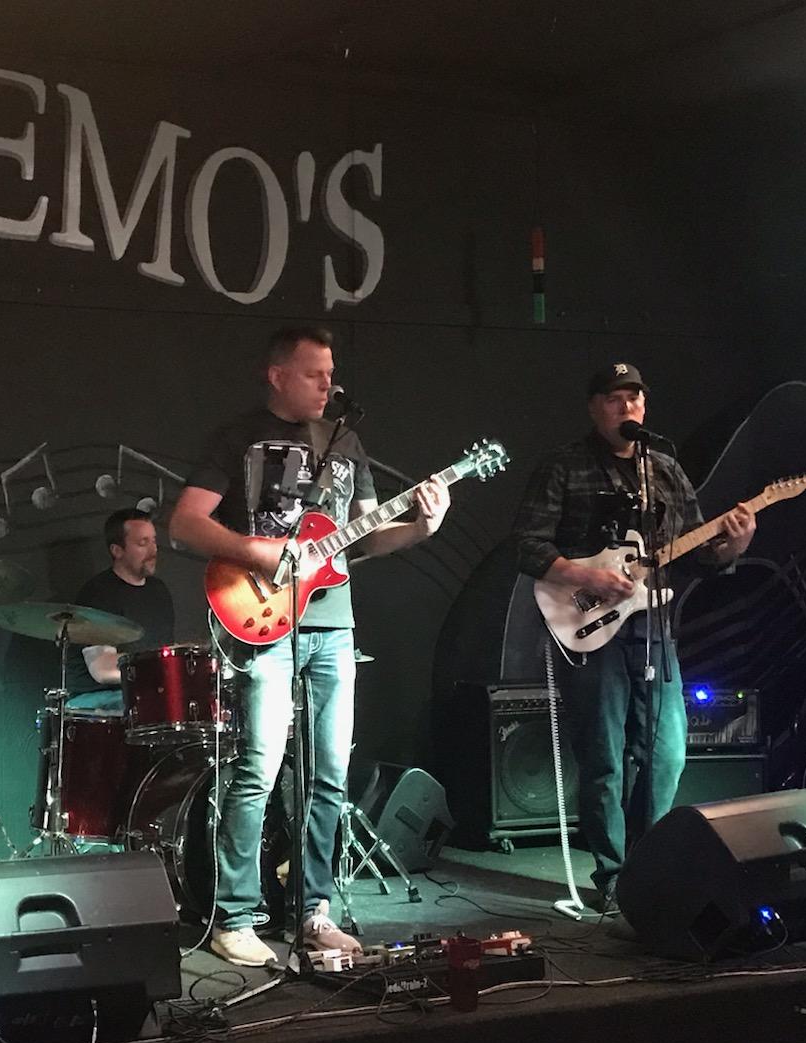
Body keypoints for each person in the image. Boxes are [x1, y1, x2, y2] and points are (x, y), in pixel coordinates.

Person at [171, 327, 451, 967]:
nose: (329, 384)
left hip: (334, 624)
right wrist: (256, 550)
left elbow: (368, 537)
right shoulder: (239, 437)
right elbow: (185, 522)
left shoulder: (345, 441)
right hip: (264, 616)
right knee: (260, 767)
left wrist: (422, 527)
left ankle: (312, 910)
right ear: (277, 376)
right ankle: (235, 917)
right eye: (313, 374)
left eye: (331, 373)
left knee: (329, 773)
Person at [511, 362, 756, 909]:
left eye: (636, 398)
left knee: (666, 751)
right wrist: (586, 576)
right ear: (594, 407)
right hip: (588, 623)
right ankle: (613, 875)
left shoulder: (663, 469)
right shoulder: (564, 466)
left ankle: (652, 865)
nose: (628, 408)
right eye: (615, 399)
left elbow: (695, 557)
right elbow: (526, 544)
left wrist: (733, 546)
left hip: (653, 624)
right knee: (605, 755)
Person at [63, 508, 176, 712]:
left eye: (153, 541)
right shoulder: (98, 593)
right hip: (97, 700)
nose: (153, 550)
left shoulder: (159, 591)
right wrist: (159, 670)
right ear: (117, 551)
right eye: (142, 543)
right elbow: (102, 669)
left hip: (140, 691)